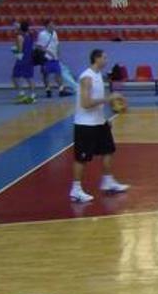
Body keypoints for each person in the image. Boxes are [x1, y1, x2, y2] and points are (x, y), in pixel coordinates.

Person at [71, 50, 128, 203]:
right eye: (104, 57)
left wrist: (104, 119)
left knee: (108, 150)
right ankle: (76, 190)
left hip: (99, 122)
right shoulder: (87, 77)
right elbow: (85, 103)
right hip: (85, 125)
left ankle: (107, 181)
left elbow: (96, 103)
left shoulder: (98, 76)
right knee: (81, 159)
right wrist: (109, 98)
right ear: (96, 59)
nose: (106, 60)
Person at [36, 20, 67, 98]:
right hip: (45, 58)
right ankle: (48, 90)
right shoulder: (42, 34)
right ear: (47, 26)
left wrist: (58, 54)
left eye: (53, 24)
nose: (53, 26)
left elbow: (57, 44)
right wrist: (48, 52)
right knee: (45, 74)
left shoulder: (54, 33)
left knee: (58, 73)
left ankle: (61, 90)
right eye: (51, 25)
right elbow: (39, 47)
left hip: (55, 57)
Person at [12, 21, 36, 105]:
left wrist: (13, 49)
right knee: (29, 78)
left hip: (22, 59)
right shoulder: (30, 35)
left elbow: (20, 50)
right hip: (30, 59)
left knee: (15, 77)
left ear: (20, 28)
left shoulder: (20, 37)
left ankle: (22, 94)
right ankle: (33, 96)